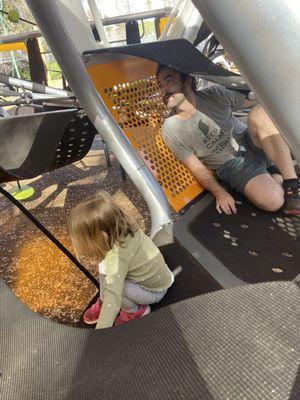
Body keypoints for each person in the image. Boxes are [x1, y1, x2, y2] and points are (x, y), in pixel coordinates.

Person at [156, 64, 300, 216]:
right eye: (160, 85)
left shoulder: (214, 94)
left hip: (250, 141)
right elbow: (196, 167)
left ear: (188, 81)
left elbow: (255, 98)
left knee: (260, 112)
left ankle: (292, 185)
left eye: (169, 81)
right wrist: (220, 192)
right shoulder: (171, 129)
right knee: (273, 201)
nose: (163, 90)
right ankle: (276, 173)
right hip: (233, 167)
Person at [67, 191, 173, 329]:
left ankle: (135, 311)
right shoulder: (127, 232)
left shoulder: (117, 258)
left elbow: (113, 298)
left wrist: (100, 332)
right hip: (162, 277)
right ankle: (102, 300)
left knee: (117, 287)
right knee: (104, 268)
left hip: (154, 292)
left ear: (102, 236)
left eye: (83, 240)